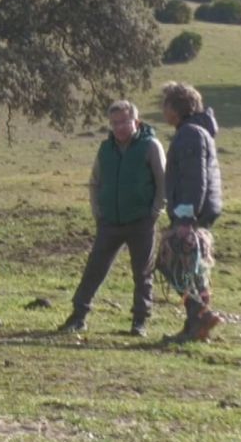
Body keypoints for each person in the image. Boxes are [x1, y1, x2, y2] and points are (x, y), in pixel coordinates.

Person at [58, 100, 165, 336]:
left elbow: (162, 181)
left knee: (143, 273)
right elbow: (95, 182)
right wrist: (98, 211)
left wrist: (155, 211)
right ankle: (78, 316)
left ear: (135, 122)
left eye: (124, 122)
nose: (119, 128)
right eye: (114, 123)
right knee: (94, 269)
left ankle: (140, 322)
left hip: (141, 221)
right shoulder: (105, 149)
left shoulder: (150, 146)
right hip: (110, 221)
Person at [158, 81, 223, 343]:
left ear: (176, 107)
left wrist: (185, 217)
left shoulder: (189, 134)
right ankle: (196, 326)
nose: (163, 111)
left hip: (190, 214)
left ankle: (199, 317)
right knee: (193, 269)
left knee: (173, 264)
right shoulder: (198, 131)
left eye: (165, 105)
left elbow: (194, 179)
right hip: (200, 212)